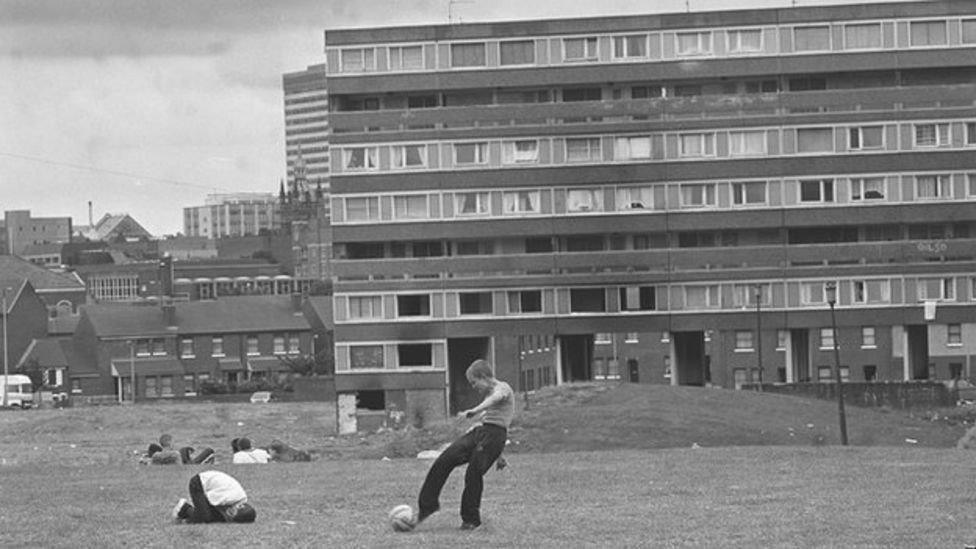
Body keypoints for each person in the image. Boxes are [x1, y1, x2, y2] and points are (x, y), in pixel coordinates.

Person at [415, 358, 514, 531]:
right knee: (444, 460)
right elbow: (493, 416)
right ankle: (428, 506)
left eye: (474, 382)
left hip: (494, 436)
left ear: (484, 377)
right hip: (481, 432)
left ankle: (471, 520)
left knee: (473, 474)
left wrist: (475, 410)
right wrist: (499, 455)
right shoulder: (489, 395)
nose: (473, 387)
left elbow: (496, 401)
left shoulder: (502, 388)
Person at [172, 470, 257, 524]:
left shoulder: (239, 500)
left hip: (213, 488)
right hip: (199, 483)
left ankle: (189, 514)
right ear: (240, 506)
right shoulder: (228, 497)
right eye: (232, 512)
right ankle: (184, 508)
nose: (229, 512)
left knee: (217, 518)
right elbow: (208, 499)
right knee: (204, 517)